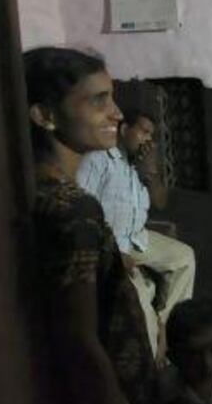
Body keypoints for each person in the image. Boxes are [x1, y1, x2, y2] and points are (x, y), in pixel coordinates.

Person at [25, 46, 156, 404]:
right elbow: (79, 339)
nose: (116, 113)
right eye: (99, 101)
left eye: (111, 98)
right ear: (46, 115)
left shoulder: (43, 190)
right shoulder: (73, 210)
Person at [77, 108, 196, 363]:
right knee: (140, 297)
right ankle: (154, 357)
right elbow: (81, 210)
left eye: (151, 135)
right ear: (124, 130)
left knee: (185, 257)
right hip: (112, 245)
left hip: (138, 239)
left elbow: (161, 203)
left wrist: (150, 172)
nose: (147, 140)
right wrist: (112, 252)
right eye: (143, 131)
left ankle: (168, 325)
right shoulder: (99, 160)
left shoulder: (140, 165)